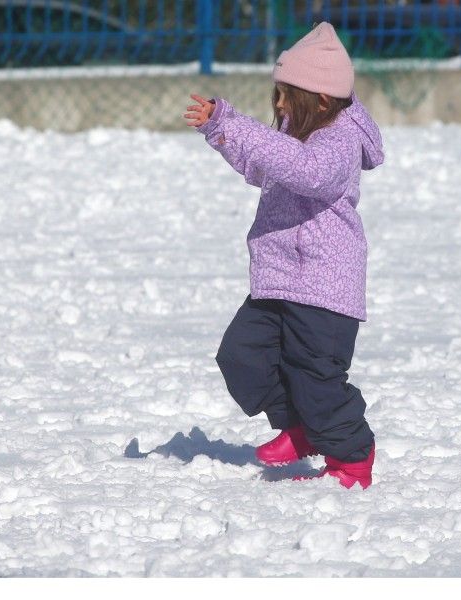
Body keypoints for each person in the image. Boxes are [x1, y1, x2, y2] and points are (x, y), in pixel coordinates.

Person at [184, 22, 384, 489]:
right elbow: (263, 166)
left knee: (318, 381)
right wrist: (221, 129)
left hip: (323, 287)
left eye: (285, 96)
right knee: (241, 357)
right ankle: (301, 428)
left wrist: (245, 128)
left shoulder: (338, 139)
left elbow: (308, 174)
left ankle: (353, 454)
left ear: (319, 98)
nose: (277, 106)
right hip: (278, 278)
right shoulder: (297, 131)